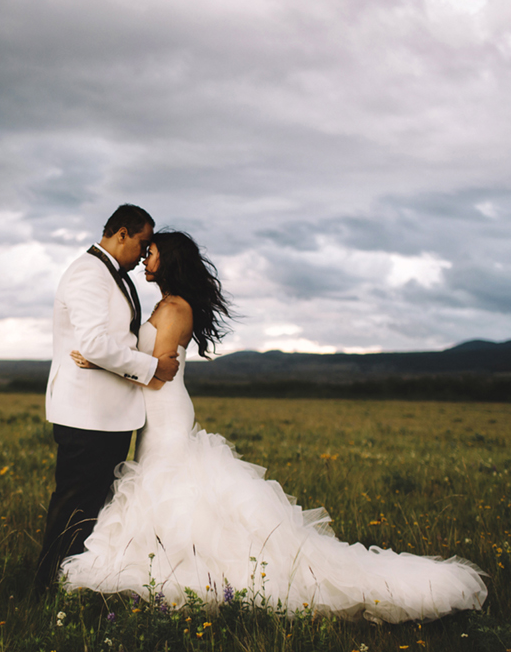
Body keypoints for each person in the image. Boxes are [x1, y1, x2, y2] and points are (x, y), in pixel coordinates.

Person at [60, 231, 487, 622]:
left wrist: (100, 359)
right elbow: (150, 363)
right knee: (162, 490)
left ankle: (188, 570)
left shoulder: (174, 308)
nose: (145, 258)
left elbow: (159, 373)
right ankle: (166, 564)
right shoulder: (164, 303)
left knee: (170, 488)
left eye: (150, 253)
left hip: (166, 412)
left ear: (167, 260)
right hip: (154, 413)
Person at [34, 204, 180, 597]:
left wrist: (108, 360)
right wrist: (150, 366)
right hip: (87, 415)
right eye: (142, 243)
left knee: (94, 507)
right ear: (121, 234)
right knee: (74, 503)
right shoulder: (88, 274)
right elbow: (96, 343)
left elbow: (110, 343)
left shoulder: (109, 273)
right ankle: (46, 587)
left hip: (108, 414)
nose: (144, 253)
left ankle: (77, 583)